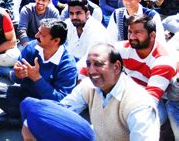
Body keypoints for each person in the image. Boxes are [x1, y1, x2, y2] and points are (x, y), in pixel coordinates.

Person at [21, 43, 159, 141]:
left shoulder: (139, 105)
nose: (91, 71)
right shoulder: (89, 85)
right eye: (88, 64)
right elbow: (63, 110)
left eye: (98, 64)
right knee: (32, 109)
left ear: (116, 67)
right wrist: (31, 125)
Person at [0, 19, 77, 126]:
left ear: (56, 40)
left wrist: (37, 78)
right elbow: (17, 79)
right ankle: (21, 121)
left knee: (51, 119)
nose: (36, 35)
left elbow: (61, 102)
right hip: (25, 97)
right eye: (38, 31)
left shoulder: (68, 65)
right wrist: (17, 74)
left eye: (42, 34)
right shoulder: (31, 47)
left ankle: (15, 121)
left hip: (45, 107)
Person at [115, 15, 177, 124]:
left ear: (152, 36)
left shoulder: (163, 60)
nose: (132, 37)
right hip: (136, 90)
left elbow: (151, 100)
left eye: (137, 32)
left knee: (150, 120)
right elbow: (96, 54)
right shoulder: (125, 47)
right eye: (130, 32)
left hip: (163, 97)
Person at [65, 0, 108, 67]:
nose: (74, 17)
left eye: (78, 13)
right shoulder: (68, 23)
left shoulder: (96, 30)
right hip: (71, 64)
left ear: (87, 14)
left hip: (93, 66)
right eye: (71, 13)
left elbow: (92, 58)